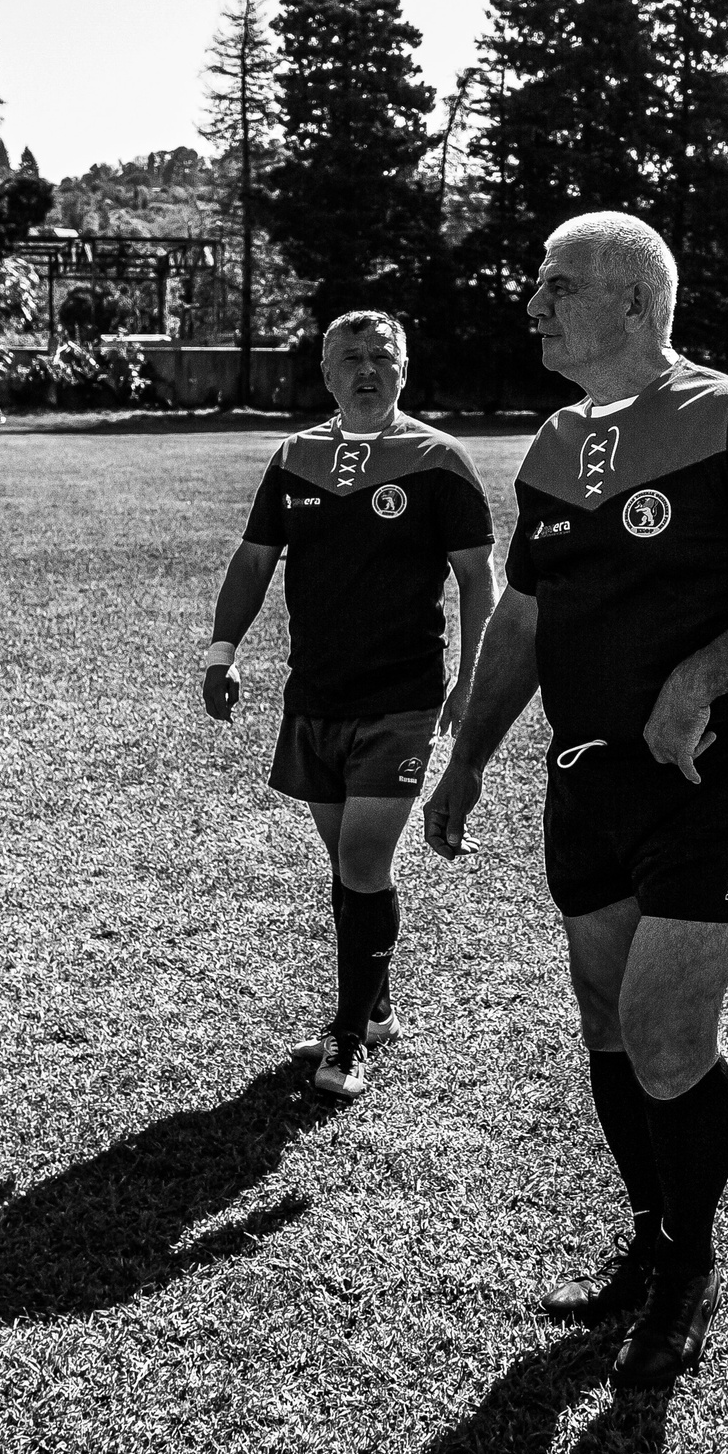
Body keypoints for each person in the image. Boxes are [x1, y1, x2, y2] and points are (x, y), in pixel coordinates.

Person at [423, 212, 728, 1387]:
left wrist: (699, 679)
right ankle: (650, 1232)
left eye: (554, 285)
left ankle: (689, 1261)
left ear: (631, 302)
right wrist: (469, 754)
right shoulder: (553, 441)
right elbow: (526, 615)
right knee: (608, 1020)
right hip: (588, 773)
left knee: (670, 1034)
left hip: (707, 768)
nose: (532, 305)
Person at [205, 310, 496, 1100]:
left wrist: (470, 682)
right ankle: (375, 1011)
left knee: (365, 862)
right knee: (347, 865)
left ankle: (346, 1040)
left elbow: (478, 579)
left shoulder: (438, 459)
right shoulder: (296, 457)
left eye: (383, 357)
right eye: (351, 358)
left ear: (405, 370)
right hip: (315, 697)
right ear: (325, 373)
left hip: (401, 699)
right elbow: (255, 557)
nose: (368, 370)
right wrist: (222, 652)